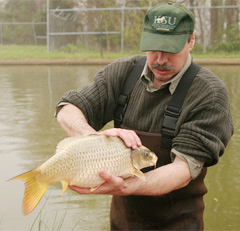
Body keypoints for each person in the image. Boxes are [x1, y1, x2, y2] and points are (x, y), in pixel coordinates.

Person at [55, 2, 233, 230]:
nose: (160, 59)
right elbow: (67, 108)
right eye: (153, 47)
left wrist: (126, 186)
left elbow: (182, 171)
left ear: (191, 40)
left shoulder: (209, 94)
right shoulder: (123, 72)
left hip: (179, 223)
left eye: (170, 49)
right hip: (122, 222)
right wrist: (91, 138)